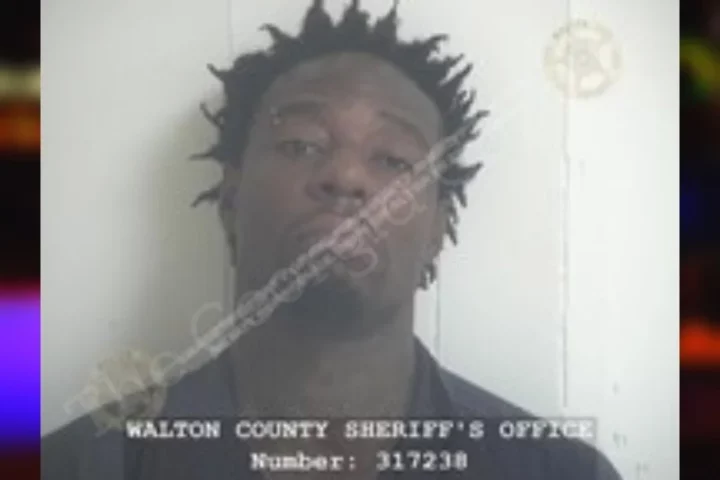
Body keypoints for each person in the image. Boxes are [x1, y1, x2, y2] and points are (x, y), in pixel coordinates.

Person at [42, 1, 623, 478]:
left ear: (437, 231)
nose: (345, 177)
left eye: (393, 158)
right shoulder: (79, 466)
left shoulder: (557, 472)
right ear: (231, 203)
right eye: (301, 144)